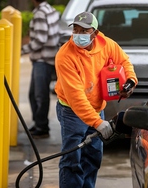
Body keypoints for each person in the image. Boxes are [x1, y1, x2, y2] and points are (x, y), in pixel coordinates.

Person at [54, 12, 138, 187]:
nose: (79, 34)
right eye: (76, 30)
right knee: (72, 159)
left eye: (84, 31)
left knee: (93, 156)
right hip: (71, 111)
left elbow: (124, 61)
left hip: (96, 106)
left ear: (95, 33)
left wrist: (130, 81)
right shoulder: (65, 56)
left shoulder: (106, 44)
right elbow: (76, 97)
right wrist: (97, 122)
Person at [21, 0, 60, 138]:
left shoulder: (40, 13)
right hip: (48, 58)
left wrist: (21, 50)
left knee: (40, 95)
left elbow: (40, 40)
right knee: (35, 94)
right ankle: (39, 123)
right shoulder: (51, 10)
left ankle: (42, 127)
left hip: (42, 60)